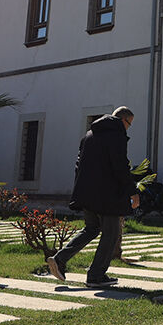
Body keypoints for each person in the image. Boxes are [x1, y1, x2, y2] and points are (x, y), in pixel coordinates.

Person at [46, 106, 140, 288]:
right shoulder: (116, 135)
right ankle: (96, 276)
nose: (128, 128)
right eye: (130, 124)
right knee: (111, 233)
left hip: (87, 192)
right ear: (123, 120)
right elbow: (120, 165)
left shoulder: (90, 135)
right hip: (107, 194)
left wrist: (81, 189)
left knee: (91, 229)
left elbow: (78, 164)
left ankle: (59, 260)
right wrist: (133, 191)